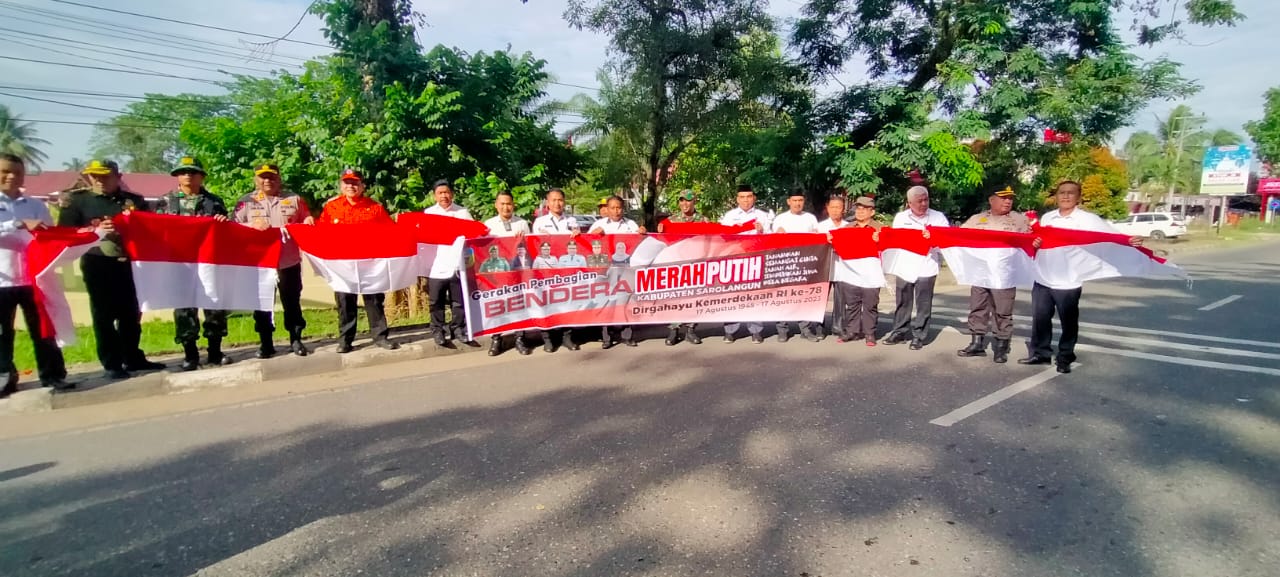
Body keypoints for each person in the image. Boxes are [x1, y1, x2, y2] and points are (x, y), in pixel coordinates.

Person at [57, 159, 166, 379]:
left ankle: (133, 357)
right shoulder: (78, 202)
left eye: (104, 175)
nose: (98, 180)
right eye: (94, 175)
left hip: (129, 264)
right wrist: (93, 229)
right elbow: (64, 234)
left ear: (118, 176)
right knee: (103, 316)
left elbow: (150, 228)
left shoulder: (133, 201)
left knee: (131, 313)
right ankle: (112, 363)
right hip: (98, 264)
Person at [1019, 180, 1142, 374]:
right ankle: (1041, 353)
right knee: (1040, 319)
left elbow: (1110, 235)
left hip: (1068, 280)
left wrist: (1128, 241)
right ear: (1056, 196)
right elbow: (1037, 240)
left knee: (1068, 322)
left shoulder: (1087, 219)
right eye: (1062, 193)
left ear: (1078, 197)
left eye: (1070, 193)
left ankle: (1065, 356)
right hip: (1043, 276)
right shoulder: (1048, 217)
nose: (1066, 196)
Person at [0, 153, 73, 396]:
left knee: (44, 328)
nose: (12, 176)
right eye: (5, 171)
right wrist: (18, 224)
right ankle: (5, 378)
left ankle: (53, 375)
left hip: (35, 277)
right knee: (2, 333)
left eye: (17, 172)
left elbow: (49, 236)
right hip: (3, 280)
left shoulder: (35, 205)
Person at [233, 163, 315, 359]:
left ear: (279, 179)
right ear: (256, 179)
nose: (267, 180)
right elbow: (233, 228)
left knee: (292, 302)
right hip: (260, 264)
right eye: (263, 177)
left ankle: (296, 339)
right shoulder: (246, 202)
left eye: (272, 177)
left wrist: (309, 220)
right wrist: (251, 225)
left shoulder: (293, 200)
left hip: (288, 261)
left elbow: (306, 218)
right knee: (262, 303)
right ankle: (266, 344)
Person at [317, 168, 400, 354]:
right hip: (342, 265)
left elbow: (390, 233)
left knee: (374, 301)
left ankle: (380, 337)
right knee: (345, 302)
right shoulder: (332, 207)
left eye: (355, 183)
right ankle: (345, 340)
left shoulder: (375, 208)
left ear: (362, 186)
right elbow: (320, 233)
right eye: (347, 183)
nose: (351, 186)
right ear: (341, 185)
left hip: (370, 264)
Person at [163, 157, 234, 371]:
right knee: (184, 308)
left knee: (213, 305)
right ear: (177, 176)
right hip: (180, 263)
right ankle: (190, 354)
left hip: (208, 261)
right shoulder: (166, 202)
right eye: (183, 172)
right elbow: (156, 231)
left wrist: (223, 222)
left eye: (193, 172)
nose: (188, 176)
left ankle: (215, 351)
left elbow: (226, 232)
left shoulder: (213, 201)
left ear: (201, 176)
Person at [957, 187, 1031, 364]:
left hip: (1004, 274)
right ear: (991, 200)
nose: (1008, 201)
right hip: (981, 273)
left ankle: (1001, 347)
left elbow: (1030, 242)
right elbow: (958, 236)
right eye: (1003, 198)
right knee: (978, 308)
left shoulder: (1019, 220)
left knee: (1003, 311)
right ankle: (977, 343)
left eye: (1010, 198)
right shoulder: (977, 219)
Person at [885, 185, 949, 350]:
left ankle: (919, 335)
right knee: (903, 301)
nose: (923, 203)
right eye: (919, 201)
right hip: (905, 265)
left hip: (926, 266)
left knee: (923, 303)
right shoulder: (901, 217)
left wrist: (934, 238)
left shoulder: (938, 217)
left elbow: (946, 243)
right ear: (909, 203)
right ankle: (899, 331)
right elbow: (896, 240)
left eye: (926, 199)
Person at [422, 180, 477, 347]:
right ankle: (437, 330)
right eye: (440, 193)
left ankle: (458, 328)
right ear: (434, 196)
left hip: (457, 265)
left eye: (446, 192)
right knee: (436, 300)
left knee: (458, 299)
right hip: (436, 265)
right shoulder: (428, 213)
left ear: (452, 194)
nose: (444, 196)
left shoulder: (462, 212)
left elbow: (474, 234)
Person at [719, 184, 772, 343]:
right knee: (732, 295)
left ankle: (755, 330)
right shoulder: (729, 216)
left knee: (754, 296)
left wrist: (762, 230)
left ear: (754, 198)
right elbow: (722, 238)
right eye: (742, 197)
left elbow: (772, 238)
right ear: (737, 199)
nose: (746, 200)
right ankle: (730, 330)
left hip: (756, 260)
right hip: (734, 260)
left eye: (749, 197)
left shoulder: (763, 216)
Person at [829, 196, 884, 346]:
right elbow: (838, 245)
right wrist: (832, 239)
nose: (860, 212)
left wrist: (880, 240)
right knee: (852, 304)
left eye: (864, 209)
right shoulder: (847, 228)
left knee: (870, 304)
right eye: (858, 208)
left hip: (871, 273)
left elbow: (888, 249)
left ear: (872, 212)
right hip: (851, 272)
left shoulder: (879, 229)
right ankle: (852, 331)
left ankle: (869, 333)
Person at [483, 191, 532, 356]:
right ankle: (497, 339)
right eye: (502, 204)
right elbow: (483, 249)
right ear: (496, 205)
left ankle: (520, 338)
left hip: (517, 273)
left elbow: (530, 248)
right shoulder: (488, 225)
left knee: (518, 304)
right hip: (497, 274)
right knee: (498, 305)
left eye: (509, 203)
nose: (506, 207)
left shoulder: (522, 223)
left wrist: (523, 241)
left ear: (513, 205)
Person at [589, 195, 642, 349]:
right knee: (607, 300)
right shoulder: (598, 224)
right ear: (607, 209)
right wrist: (594, 234)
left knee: (625, 300)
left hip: (626, 269)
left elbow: (638, 242)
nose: (616, 211)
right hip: (606, 269)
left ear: (622, 209)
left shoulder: (630, 224)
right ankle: (607, 336)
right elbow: (589, 245)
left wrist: (641, 232)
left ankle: (627, 335)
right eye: (613, 208)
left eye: (619, 207)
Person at [532, 188, 581, 352]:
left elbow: (579, 243)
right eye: (553, 200)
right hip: (547, 271)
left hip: (566, 271)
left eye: (560, 200)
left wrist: (578, 234)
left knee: (567, 303)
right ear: (547, 203)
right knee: (546, 303)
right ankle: (548, 339)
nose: (557, 203)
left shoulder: (572, 221)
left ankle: (567, 337)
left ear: (564, 202)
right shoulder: (540, 222)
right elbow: (535, 245)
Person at [771, 190, 823, 343]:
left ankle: (805, 329)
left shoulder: (810, 218)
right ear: (789, 201)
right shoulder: (780, 219)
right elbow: (773, 242)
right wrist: (777, 234)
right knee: (783, 297)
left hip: (805, 264)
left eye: (800, 200)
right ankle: (782, 330)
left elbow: (817, 239)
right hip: (785, 263)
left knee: (804, 297)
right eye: (794, 200)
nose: (797, 203)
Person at [657, 189, 705, 346]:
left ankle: (691, 330)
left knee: (693, 298)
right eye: (682, 200)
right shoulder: (669, 222)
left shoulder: (704, 221)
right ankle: (673, 331)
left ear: (694, 201)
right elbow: (659, 240)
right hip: (675, 266)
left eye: (688, 200)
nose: (685, 203)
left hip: (695, 265)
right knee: (674, 298)